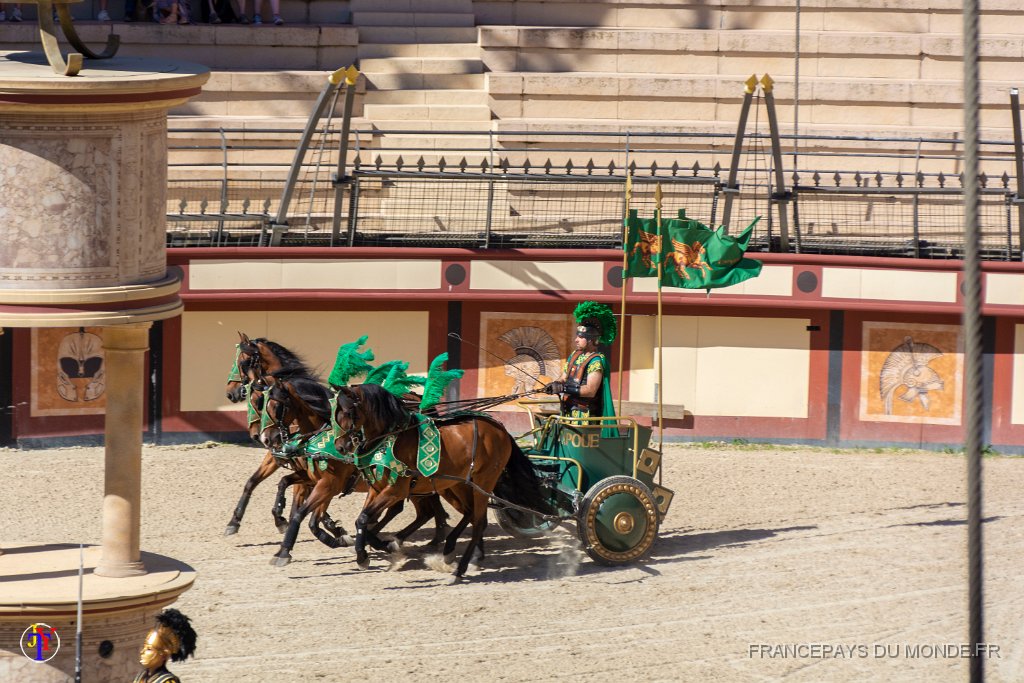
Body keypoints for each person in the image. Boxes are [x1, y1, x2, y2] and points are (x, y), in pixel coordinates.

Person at [544, 301, 617, 421]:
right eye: (577, 336)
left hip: (584, 417)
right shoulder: (574, 355)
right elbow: (564, 377)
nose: (576, 340)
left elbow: (590, 390)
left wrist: (564, 388)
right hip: (567, 410)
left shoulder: (596, 361)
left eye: (581, 337)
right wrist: (555, 384)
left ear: (590, 340)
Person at [133, 608, 197, 683]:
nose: (142, 652)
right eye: (144, 647)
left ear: (163, 655)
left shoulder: (168, 681)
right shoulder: (141, 677)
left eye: (149, 649)